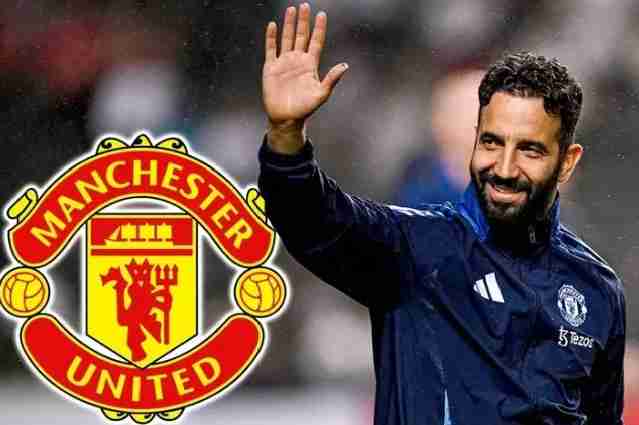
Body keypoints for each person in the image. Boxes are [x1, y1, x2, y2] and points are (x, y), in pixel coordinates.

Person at [257, 4, 625, 425]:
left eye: (530, 150)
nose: (505, 168)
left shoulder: (597, 289)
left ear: (567, 163)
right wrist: (286, 137)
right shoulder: (417, 247)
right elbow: (312, 217)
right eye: (491, 143)